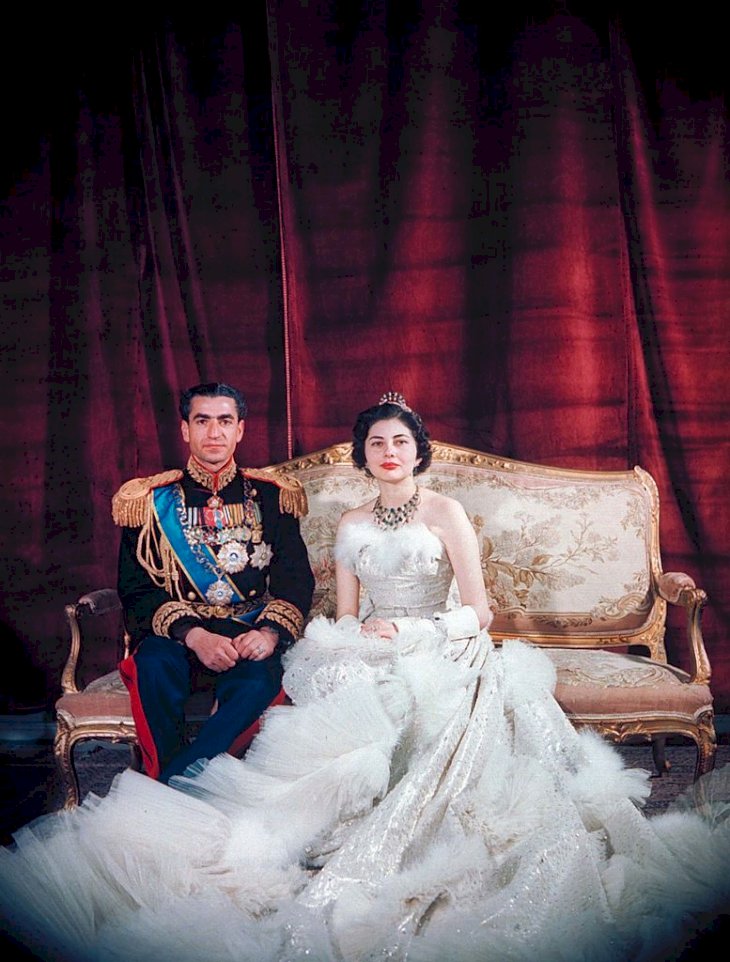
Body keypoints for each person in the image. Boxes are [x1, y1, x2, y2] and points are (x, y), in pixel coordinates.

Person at [0, 392, 729, 962]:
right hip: (369, 644)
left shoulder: (446, 512)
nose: (388, 452)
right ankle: (252, 823)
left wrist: (414, 632)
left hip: (444, 645)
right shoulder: (348, 523)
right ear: (362, 455)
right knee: (339, 717)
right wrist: (358, 643)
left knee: (432, 720)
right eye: (376, 443)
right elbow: (345, 617)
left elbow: (479, 611)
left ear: (419, 452)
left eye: (400, 442)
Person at [114, 381, 315, 782]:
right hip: (179, 636)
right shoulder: (150, 501)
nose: (214, 432)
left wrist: (270, 633)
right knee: (152, 664)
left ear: (240, 429)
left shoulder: (272, 497)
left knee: (262, 678)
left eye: (225, 421)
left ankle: (176, 784)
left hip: (246, 631)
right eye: (202, 421)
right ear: (185, 430)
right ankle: (176, 777)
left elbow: (295, 579)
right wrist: (194, 635)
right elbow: (135, 589)